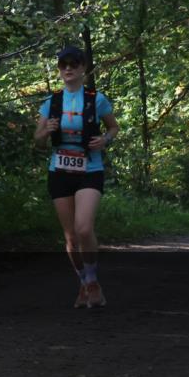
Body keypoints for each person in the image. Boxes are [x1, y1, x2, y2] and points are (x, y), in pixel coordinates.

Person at [34, 46, 118, 308]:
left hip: (89, 170)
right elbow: (37, 142)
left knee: (84, 228)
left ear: (83, 68)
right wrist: (45, 132)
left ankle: (92, 280)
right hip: (59, 171)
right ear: (59, 70)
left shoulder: (96, 99)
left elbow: (113, 127)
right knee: (70, 236)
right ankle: (84, 283)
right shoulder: (51, 102)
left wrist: (104, 139)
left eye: (73, 64)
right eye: (63, 64)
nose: (68, 68)